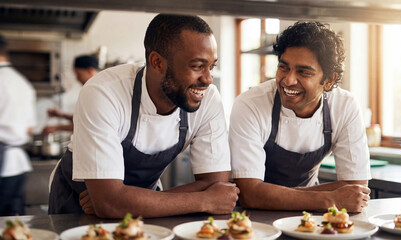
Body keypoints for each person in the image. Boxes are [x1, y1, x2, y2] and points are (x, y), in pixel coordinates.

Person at [49, 14, 239, 218]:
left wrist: (125, 203)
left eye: (212, 66)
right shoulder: (104, 92)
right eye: (197, 66)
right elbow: (108, 203)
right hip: (78, 207)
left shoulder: (208, 100)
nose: (208, 79)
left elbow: (216, 185)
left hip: (148, 210)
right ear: (157, 62)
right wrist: (204, 200)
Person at [229, 21, 371, 212]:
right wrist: (329, 199)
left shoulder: (344, 106)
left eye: (303, 72)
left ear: (329, 80)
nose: (288, 80)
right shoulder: (251, 104)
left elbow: (356, 189)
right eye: (283, 67)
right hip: (250, 219)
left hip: (310, 218)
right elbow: (250, 194)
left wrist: (272, 195)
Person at [0, 33, 36, 216]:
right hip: (16, 165)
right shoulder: (22, 82)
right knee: (13, 224)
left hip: (4, 161)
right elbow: (30, 128)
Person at [41, 55, 99, 135]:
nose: (77, 79)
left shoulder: (98, 93)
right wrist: (62, 115)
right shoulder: (92, 90)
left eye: (79, 75)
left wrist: (57, 128)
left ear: (90, 71)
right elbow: (84, 119)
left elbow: (90, 125)